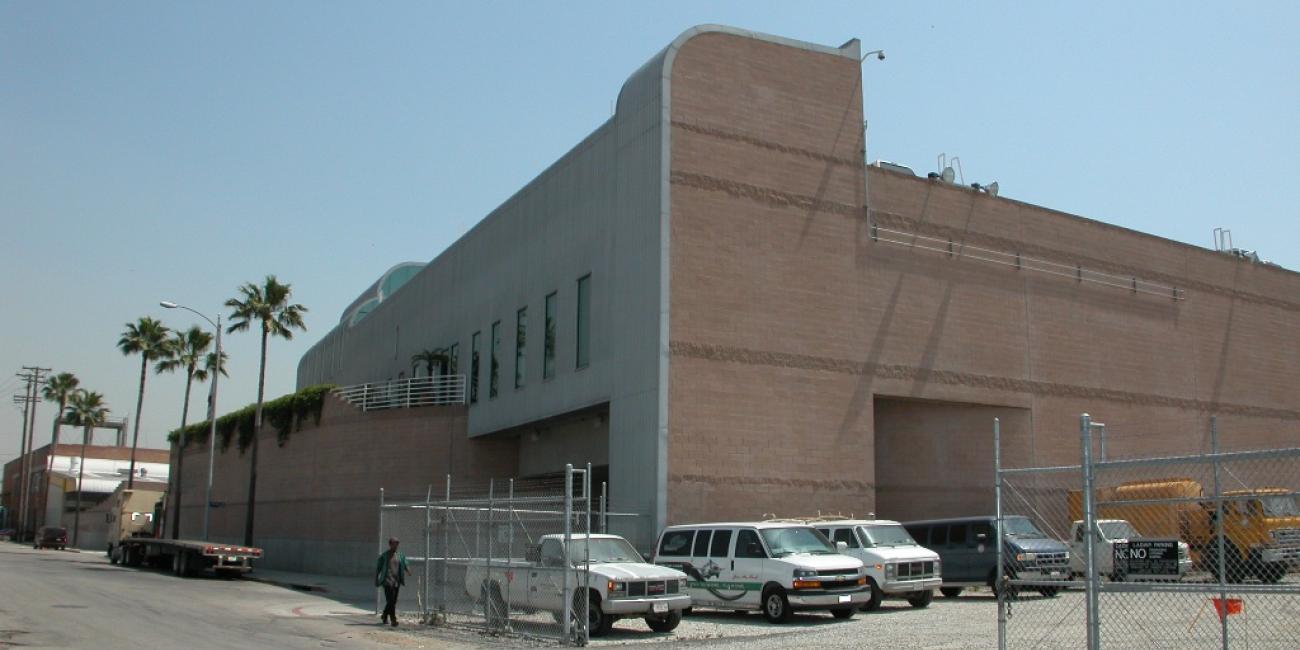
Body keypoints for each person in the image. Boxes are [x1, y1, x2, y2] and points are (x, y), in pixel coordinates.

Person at [375, 537, 411, 626]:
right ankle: (393, 619)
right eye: (394, 543)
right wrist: (376, 579)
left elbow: (405, 563)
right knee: (391, 601)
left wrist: (408, 570)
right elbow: (378, 568)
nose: (396, 545)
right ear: (390, 544)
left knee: (393, 601)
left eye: (397, 543)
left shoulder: (400, 555)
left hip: (396, 581)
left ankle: (384, 615)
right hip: (387, 581)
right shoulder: (384, 556)